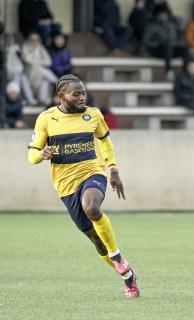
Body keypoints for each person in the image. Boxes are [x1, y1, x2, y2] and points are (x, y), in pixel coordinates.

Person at [27, 74, 139, 298]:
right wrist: (42, 154)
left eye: (83, 93)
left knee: (91, 207)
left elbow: (105, 140)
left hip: (92, 172)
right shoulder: (46, 119)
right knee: (96, 241)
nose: (81, 97)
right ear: (62, 96)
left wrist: (113, 169)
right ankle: (128, 276)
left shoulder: (93, 115)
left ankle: (116, 256)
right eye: (75, 94)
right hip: (66, 186)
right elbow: (31, 153)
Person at [22, 32, 58, 105]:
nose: (34, 42)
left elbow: (49, 61)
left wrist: (38, 62)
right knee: (39, 69)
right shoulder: (25, 47)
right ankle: (57, 81)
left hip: (39, 78)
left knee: (44, 79)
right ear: (28, 40)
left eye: (36, 40)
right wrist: (39, 61)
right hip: (29, 76)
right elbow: (27, 60)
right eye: (32, 39)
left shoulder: (40, 47)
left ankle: (43, 99)